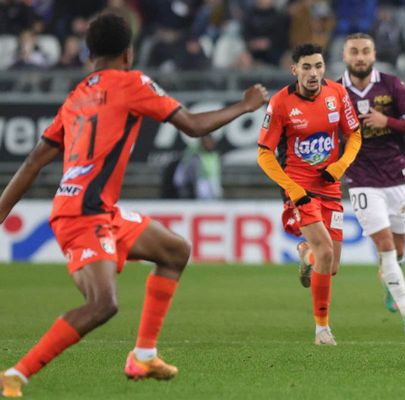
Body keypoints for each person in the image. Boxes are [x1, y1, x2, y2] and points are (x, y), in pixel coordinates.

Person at [0, 13, 267, 397]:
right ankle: (16, 374)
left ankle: (143, 356)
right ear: (129, 53)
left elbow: (32, 163)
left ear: (89, 55)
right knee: (102, 304)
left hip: (93, 209)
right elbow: (193, 125)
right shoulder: (132, 82)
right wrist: (244, 105)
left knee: (174, 251)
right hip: (83, 213)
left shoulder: (76, 96)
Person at [257, 43, 361, 345]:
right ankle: (322, 330)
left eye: (318, 66)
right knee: (325, 252)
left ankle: (306, 252)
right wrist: (293, 189)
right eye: (306, 67)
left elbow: (354, 135)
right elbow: (264, 153)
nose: (313, 73)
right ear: (294, 70)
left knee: (331, 265)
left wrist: (340, 166)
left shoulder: (337, 94)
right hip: (299, 188)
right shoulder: (280, 103)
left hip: (330, 186)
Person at [340, 32, 405, 334]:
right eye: (354, 51)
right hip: (361, 177)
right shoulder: (335, 91)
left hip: (395, 174)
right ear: (344, 56)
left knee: (399, 250)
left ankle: (390, 280)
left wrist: (386, 121)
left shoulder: (391, 84)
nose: (360, 57)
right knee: (386, 245)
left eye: (365, 51)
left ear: (374, 55)